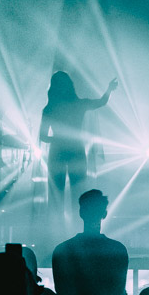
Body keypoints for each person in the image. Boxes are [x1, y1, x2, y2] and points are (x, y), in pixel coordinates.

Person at [39, 71, 118, 218]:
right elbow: (101, 102)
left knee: (56, 193)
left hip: (57, 152)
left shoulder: (49, 109)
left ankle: (54, 227)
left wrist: (57, 139)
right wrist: (109, 89)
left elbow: (42, 136)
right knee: (79, 192)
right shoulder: (78, 104)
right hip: (76, 150)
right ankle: (79, 225)